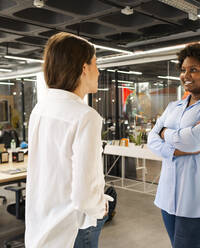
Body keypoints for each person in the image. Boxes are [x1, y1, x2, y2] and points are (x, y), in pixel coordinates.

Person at [25, 32, 112, 248]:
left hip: (42, 226)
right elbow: (84, 195)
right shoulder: (85, 116)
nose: (98, 72)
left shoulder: (40, 108)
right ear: (84, 68)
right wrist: (101, 208)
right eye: (95, 64)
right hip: (73, 229)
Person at [147, 43, 200, 248]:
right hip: (169, 197)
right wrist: (176, 145)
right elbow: (151, 139)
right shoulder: (173, 107)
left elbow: (194, 141)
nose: (186, 75)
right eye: (183, 70)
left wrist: (165, 133)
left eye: (193, 70)